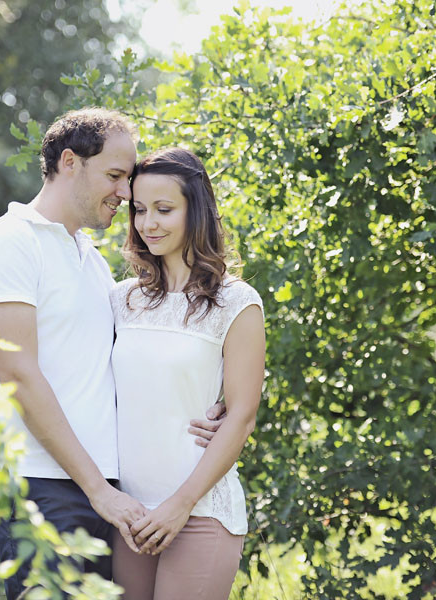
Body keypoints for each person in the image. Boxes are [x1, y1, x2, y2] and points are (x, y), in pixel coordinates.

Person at [0, 109, 222, 599]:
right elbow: (17, 373)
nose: (125, 194)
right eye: (116, 176)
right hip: (37, 485)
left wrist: (209, 400)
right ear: (69, 163)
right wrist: (98, 491)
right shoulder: (8, 242)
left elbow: (131, 362)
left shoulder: (91, 262)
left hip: (105, 488)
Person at [109, 147, 266, 600]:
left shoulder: (236, 302)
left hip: (199, 512)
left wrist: (179, 506)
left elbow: (240, 416)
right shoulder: (121, 300)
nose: (148, 223)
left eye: (164, 209)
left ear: (194, 212)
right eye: (139, 210)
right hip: (131, 515)